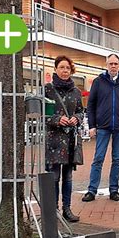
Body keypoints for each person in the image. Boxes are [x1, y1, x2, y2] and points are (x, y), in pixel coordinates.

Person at [82, 53, 119, 203]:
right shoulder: (99, 82)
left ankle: (114, 190)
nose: (113, 66)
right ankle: (92, 190)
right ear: (106, 65)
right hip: (103, 127)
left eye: (115, 64)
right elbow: (91, 105)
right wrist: (92, 126)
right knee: (98, 158)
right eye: (110, 64)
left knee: (117, 160)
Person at [45, 55, 84, 222]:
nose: (65, 71)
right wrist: (56, 120)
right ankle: (52, 210)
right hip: (54, 140)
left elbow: (81, 111)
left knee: (68, 177)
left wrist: (77, 118)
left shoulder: (76, 91)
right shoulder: (47, 89)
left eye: (67, 68)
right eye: (62, 67)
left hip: (70, 141)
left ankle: (67, 208)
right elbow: (40, 113)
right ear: (55, 69)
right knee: (53, 176)